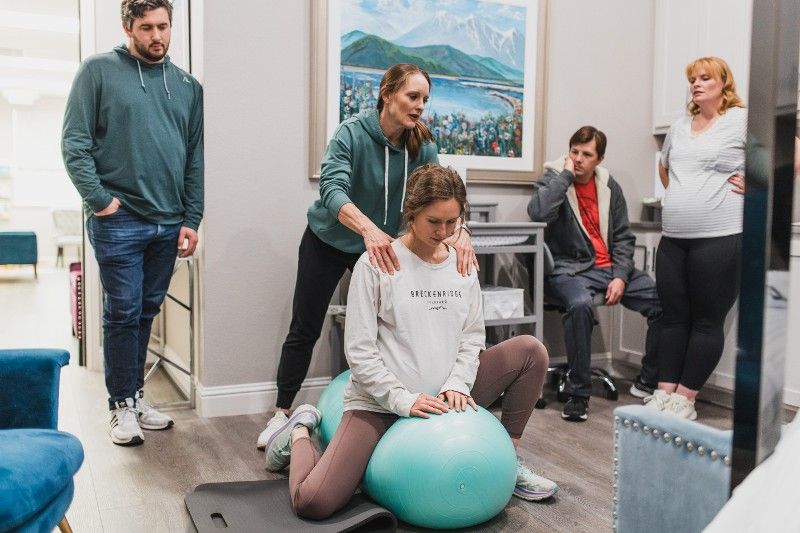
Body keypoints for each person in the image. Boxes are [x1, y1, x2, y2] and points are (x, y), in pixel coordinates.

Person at [258, 164, 557, 519]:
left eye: (453, 222)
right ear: (411, 213)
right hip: (382, 402)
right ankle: (299, 431)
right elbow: (360, 352)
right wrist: (404, 399)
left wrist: (457, 383)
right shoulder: (377, 263)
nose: (444, 232)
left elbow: (472, 337)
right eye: (434, 222)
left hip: (448, 393)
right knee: (313, 503)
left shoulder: (462, 263)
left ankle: (508, 460)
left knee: (531, 351)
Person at [258, 64, 478, 448]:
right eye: (413, 96)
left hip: (384, 246)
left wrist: (462, 232)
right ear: (387, 93)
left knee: (392, 329)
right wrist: (368, 228)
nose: (420, 106)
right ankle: (281, 412)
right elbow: (331, 187)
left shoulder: (421, 144)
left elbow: (440, 195)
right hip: (330, 240)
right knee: (305, 327)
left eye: (425, 99)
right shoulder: (352, 133)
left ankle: (386, 405)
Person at [62, 0, 203, 446]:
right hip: (119, 221)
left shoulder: (187, 87)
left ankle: (135, 396)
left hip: (169, 222)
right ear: (128, 27)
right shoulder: (98, 72)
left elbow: (194, 159)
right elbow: (74, 144)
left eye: (163, 26)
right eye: (147, 28)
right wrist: (101, 202)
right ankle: (120, 405)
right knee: (122, 311)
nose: (157, 36)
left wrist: (191, 217)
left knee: (145, 311)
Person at [528, 126, 662, 422]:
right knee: (579, 304)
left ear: (599, 159)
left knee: (662, 301)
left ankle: (648, 381)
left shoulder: (609, 187)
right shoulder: (553, 178)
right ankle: (578, 394)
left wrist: (621, 276)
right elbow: (538, 214)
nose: (577, 159)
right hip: (568, 269)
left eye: (586, 154)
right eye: (574, 151)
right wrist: (564, 177)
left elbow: (624, 238)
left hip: (609, 269)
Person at [647, 57, 746, 420]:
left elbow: (792, 153)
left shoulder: (740, 120)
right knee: (673, 318)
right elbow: (665, 166)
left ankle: (685, 399)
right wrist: (684, 198)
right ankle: (664, 392)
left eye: (705, 78)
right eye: (692, 79)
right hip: (674, 238)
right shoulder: (679, 127)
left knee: (706, 321)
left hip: (719, 238)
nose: (697, 84)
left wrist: (761, 184)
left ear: (724, 83)